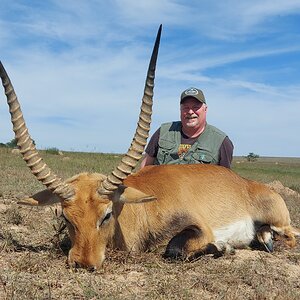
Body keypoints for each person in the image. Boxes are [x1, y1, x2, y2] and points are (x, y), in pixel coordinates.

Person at [140, 87, 234, 168]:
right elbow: (145, 168)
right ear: (180, 110)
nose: (190, 112)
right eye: (186, 107)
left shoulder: (221, 142)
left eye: (195, 107)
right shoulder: (163, 132)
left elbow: (225, 180)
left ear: (205, 109)